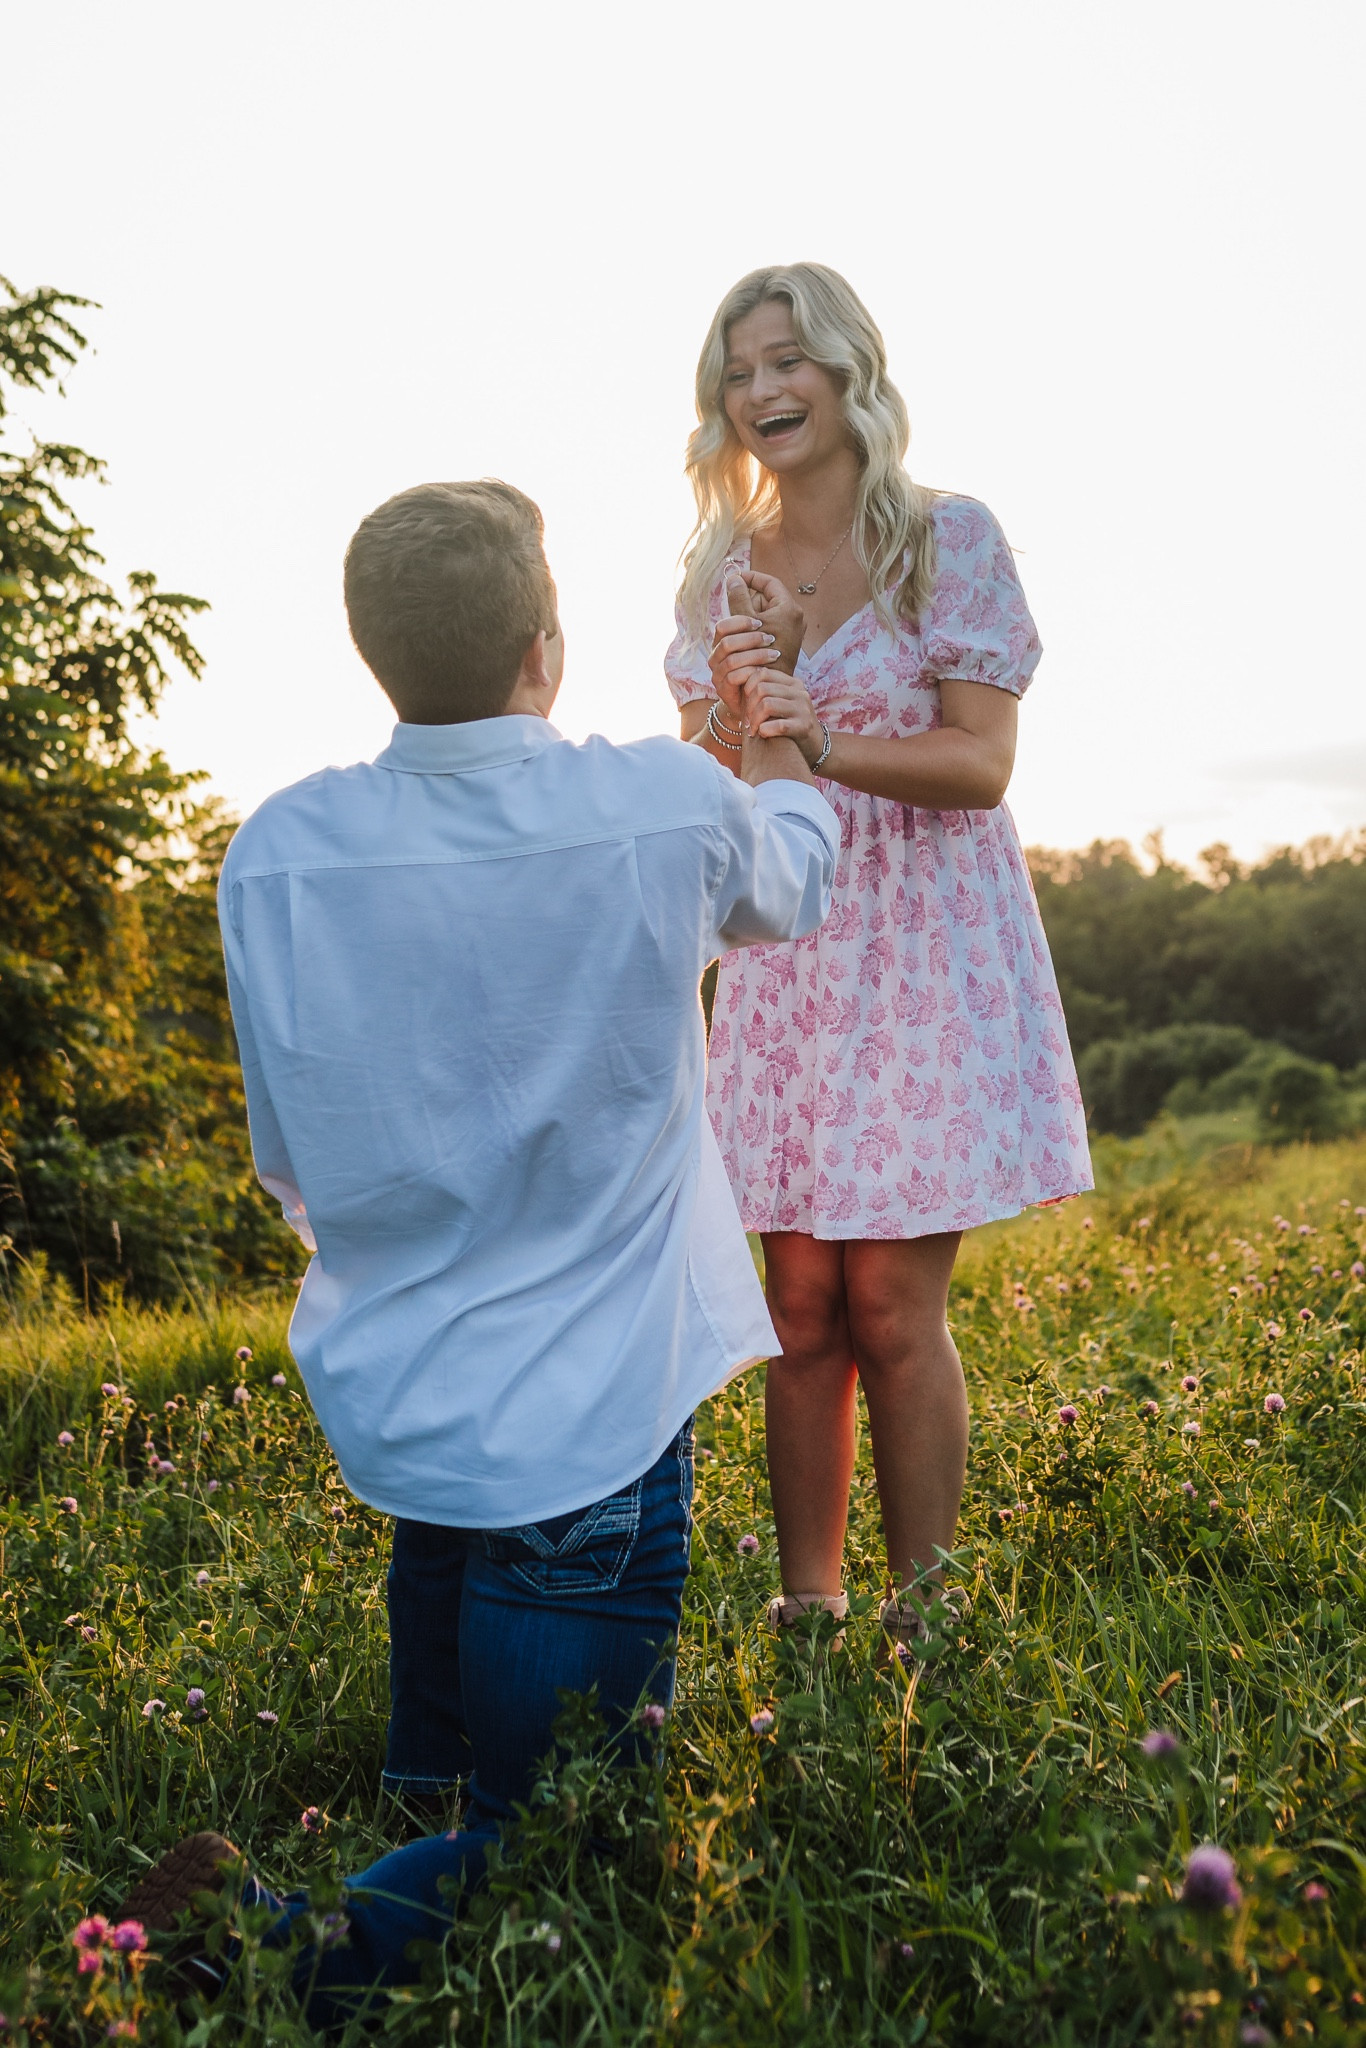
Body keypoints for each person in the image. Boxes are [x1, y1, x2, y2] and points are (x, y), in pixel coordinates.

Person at [114, 478, 838, 2021]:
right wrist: (769, 719)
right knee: (569, 1859)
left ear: (375, 651)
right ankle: (258, 1940)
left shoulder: (280, 850)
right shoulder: (656, 803)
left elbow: (285, 1148)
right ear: (543, 648)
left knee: (444, 1679)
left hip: (405, 1394)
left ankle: (413, 1809)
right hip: (587, 1428)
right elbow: (792, 873)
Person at [665, 263, 1093, 1651]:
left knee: (892, 1307)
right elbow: (711, 775)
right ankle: (810, 1613)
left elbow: (980, 763)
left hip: (923, 955)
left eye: (786, 359)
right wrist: (749, 702)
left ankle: (925, 1623)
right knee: (798, 1306)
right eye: (738, 371)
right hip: (790, 957)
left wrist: (819, 729)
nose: (763, 390)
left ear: (849, 370)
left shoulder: (947, 538)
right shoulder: (719, 572)